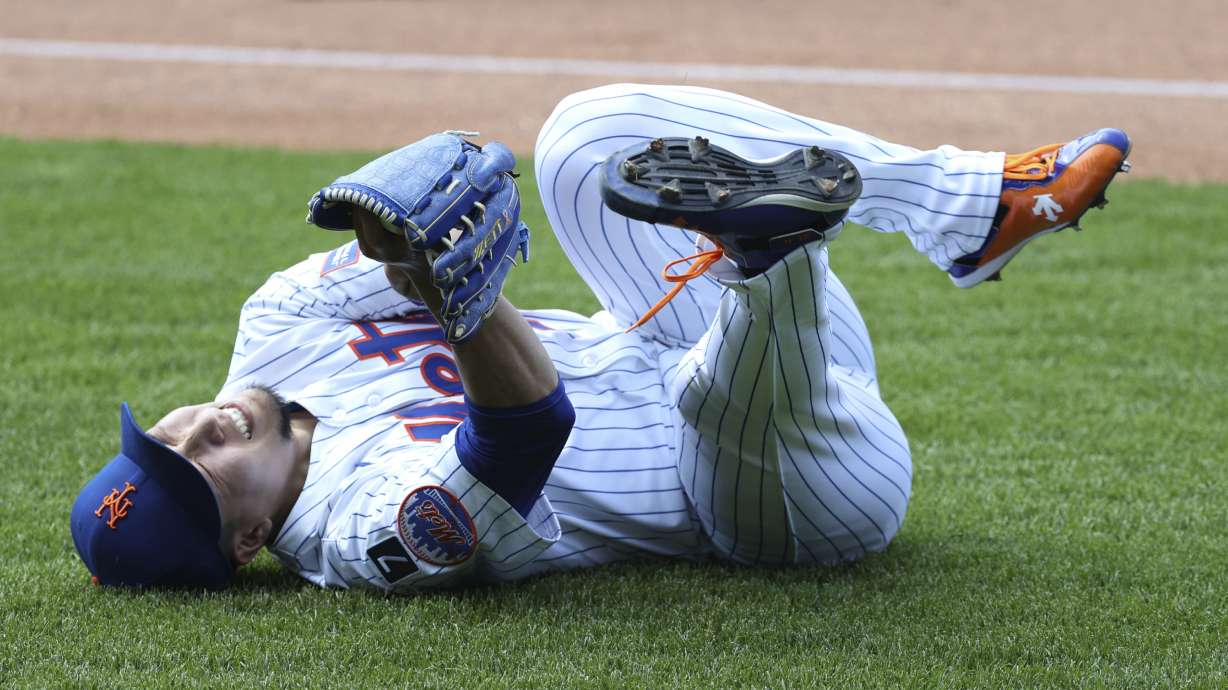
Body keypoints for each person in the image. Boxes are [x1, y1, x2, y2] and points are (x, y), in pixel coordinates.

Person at [70, 83, 1131, 592]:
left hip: (682, 334)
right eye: (199, 466)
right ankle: (767, 251)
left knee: (583, 136)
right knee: (713, 393)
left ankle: (968, 207)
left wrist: (415, 246)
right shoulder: (360, 538)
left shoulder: (275, 327)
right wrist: (463, 301)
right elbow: (523, 433)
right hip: (784, 493)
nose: (201, 426)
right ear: (246, 541)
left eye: (164, 433)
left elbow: (432, 215)